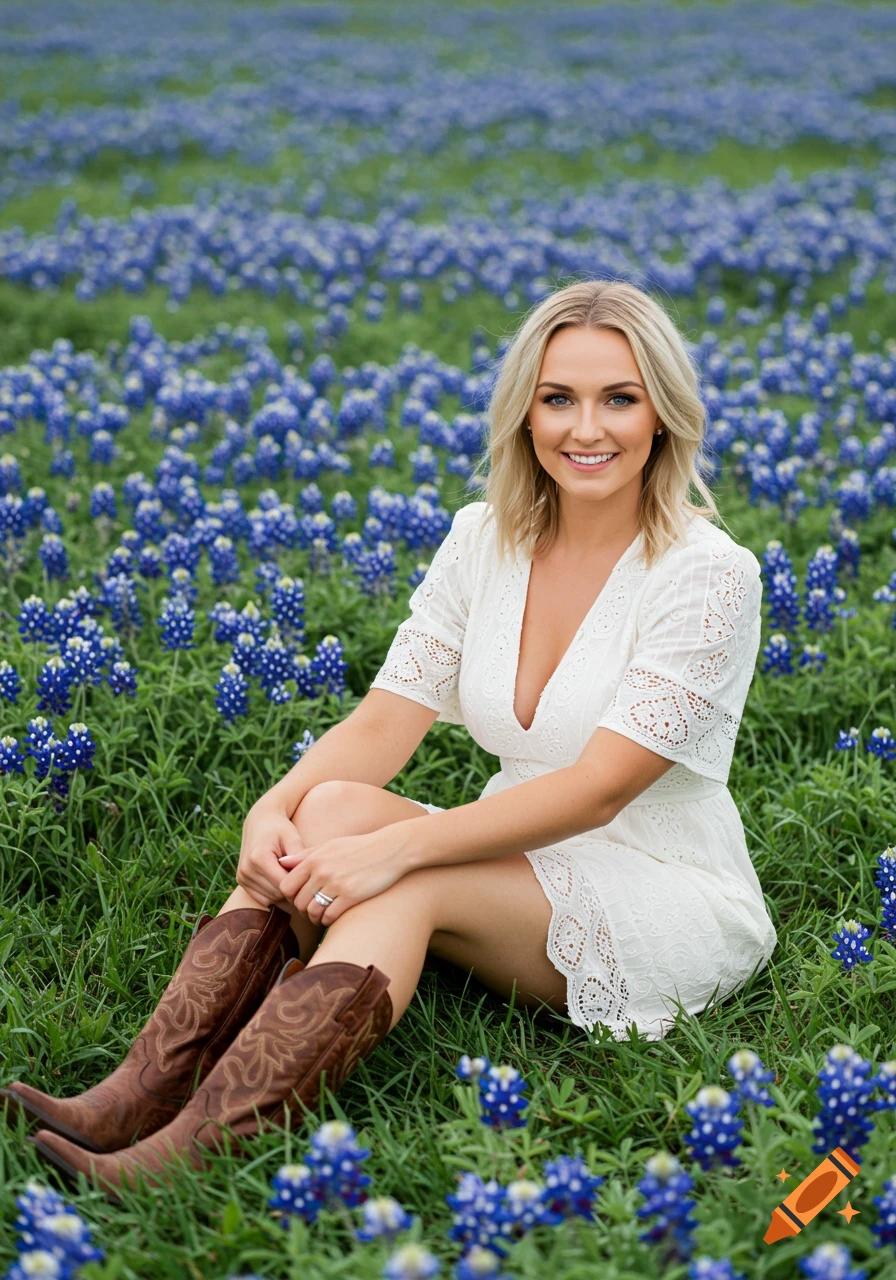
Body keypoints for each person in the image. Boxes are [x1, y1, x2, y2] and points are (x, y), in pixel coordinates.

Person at [2, 278, 776, 1196]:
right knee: (330, 810)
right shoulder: (484, 538)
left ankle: (194, 1155)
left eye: (620, 397)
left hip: (658, 884)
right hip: (519, 846)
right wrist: (273, 809)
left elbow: (602, 786)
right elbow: (383, 719)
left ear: (663, 414)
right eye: (558, 398)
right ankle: (139, 1093)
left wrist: (398, 849)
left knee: (401, 881)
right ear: (524, 412)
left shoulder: (709, 573)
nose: (586, 428)